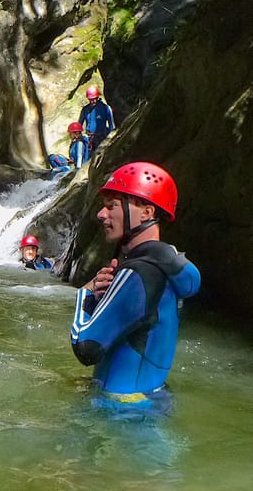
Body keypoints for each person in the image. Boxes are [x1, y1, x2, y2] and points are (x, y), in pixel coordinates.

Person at [70, 162, 201, 403]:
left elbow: (86, 346)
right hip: (147, 401)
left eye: (112, 206)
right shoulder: (165, 265)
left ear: (146, 213)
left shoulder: (138, 272)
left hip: (118, 409)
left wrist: (85, 294)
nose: (101, 214)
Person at [78, 85, 115, 152]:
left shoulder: (105, 108)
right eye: (91, 99)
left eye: (94, 98)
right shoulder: (85, 110)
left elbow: (111, 125)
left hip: (101, 138)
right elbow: (79, 124)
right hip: (89, 139)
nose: (93, 101)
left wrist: (110, 139)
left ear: (98, 97)